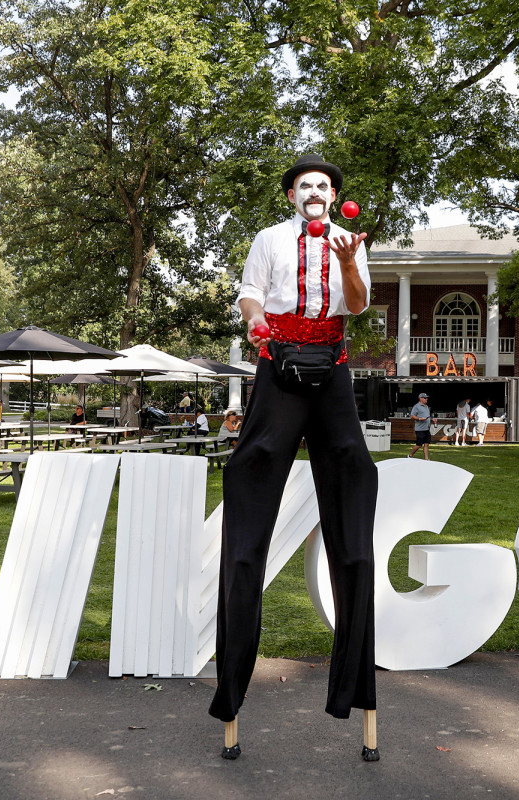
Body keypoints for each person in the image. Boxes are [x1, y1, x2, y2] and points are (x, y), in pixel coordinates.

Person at [211, 153, 378, 760]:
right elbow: (251, 296)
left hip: (331, 368)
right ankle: (231, 692)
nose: (315, 191)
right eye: (305, 184)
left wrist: (345, 263)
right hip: (278, 366)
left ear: (334, 196)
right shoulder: (267, 239)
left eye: (324, 185)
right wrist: (258, 329)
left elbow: (356, 305)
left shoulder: (349, 240)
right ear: (291, 196)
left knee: (355, 490)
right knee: (249, 486)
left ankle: (355, 690)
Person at [408, 392, 431, 460]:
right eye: (425, 398)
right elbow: (412, 416)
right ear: (420, 399)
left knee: (426, 444)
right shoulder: (416, 406)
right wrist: (419, 419)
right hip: (420, 429)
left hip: (426, 428)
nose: (426, 399)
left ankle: (426, 459)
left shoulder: (426, 407)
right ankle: (410, 455)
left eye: (427, 398)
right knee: (419, 445)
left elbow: (428, 416)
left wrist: (432, 420)